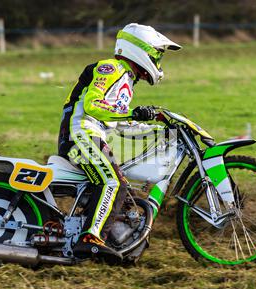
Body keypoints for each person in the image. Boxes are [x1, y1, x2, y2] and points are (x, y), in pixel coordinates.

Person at [57, 23, 181, 262]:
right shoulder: (111, 68)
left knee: (122, 186)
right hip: (80, 135)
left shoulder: (126, 80)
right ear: (139, 50)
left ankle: (117, 241)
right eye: (157, 54)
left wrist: (157, 128)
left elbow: (120, 122)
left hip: (90, 136)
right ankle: (90, 239)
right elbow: (94, 105)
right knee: (113, 182)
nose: (158, 61)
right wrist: (134, 113)